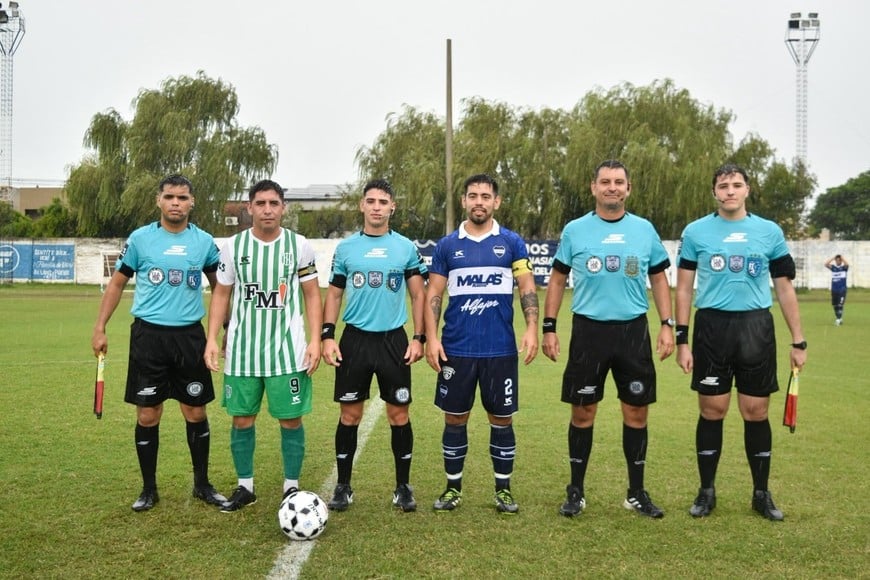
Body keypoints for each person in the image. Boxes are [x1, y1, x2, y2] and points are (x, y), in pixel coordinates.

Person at [542, 159, 674, 519]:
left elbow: (660, 278)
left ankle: (636, 492)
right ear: (593, 187)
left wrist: (667, 324)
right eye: (605, 182)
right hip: (588, 331)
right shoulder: (575, 230)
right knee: (583, 412)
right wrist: (549, 327)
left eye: (618, 182)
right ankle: (576, 491)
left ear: (628, 188)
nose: (612, 187)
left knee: (636, 411)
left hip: (633, 331)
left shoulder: (644, 230)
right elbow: (556, 279)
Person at [675, 163, 807, 521]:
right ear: (715, 192)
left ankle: (761, 494)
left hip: (755, 328)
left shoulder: (769, 232)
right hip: (712, 329)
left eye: (736, 185)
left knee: (756, 411)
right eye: (723, 185)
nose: (729, 191)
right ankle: (706, 491)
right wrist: (682, 340)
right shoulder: (696, 232)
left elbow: (783, 288)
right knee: (712, 411)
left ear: (747, 190)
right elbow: (684, 287)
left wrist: (799, 341)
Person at [91, 174, 226, 512]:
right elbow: (117, 284)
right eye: (169, 197)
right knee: (148, 414)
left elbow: (221, 289)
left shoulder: (205, 243)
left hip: (189, 337)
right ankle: (149, 489)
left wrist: (225, 328)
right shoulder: (140, 240)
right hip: (149, 336)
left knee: (195, 410)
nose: (176, 203)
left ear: (192, 201)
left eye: (182, 197)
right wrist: (100, 327)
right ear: (159, 201)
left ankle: (202, 484)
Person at [204, 179, 322, 512]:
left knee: (291, 420)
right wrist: (212, 338)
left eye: (273, 203)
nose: (267, 209)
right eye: (261, 203)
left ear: (283, 207)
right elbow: (221, 295)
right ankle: (245, 487)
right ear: (250, 207)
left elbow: (312, 295)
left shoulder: (299, 246)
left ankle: (291, 487)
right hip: (242, 353)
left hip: (288, 353)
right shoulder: (233, 247)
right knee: (242, 419)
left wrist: (315, 340)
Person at [424, 173, 538, 515]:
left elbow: (527, 287)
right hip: (456, 349)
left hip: (499, 350)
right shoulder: (447, 246)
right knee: (454, 419)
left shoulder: (512, 243)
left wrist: (532, 327)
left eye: (485, 196)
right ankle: (452, 489)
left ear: (496, 202)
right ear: (463, 201)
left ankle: (503, 491)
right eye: (473, 195)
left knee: (502, 420)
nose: (479, 201)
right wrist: (431, 338)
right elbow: (433, 295)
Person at [321, 179, 428, 513]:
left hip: (393, 340)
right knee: (349, 415)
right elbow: (335, 293)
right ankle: (343, 486)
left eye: (383, 201)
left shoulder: (405, 248)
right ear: (362, 206)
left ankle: (402, 487)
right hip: (354, 340)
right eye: (371, 201)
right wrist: (327, 335)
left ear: (392, 207)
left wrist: (419, 337)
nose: (377, 207)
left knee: (399, 414)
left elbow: (418, 294)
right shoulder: (347, 249)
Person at [824, 254, 849, 325]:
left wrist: (842, 258)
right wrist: (833, 258)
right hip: (834, 290)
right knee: (835, 305)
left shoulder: (844, 268)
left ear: (841, 261)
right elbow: (826, 264)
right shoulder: (833, 268)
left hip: (842, 290)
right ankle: (839, 319)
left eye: (839, 260)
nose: (838, 261)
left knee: (840, 305)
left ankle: (838, 320)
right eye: (837, 260)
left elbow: (847, 264)